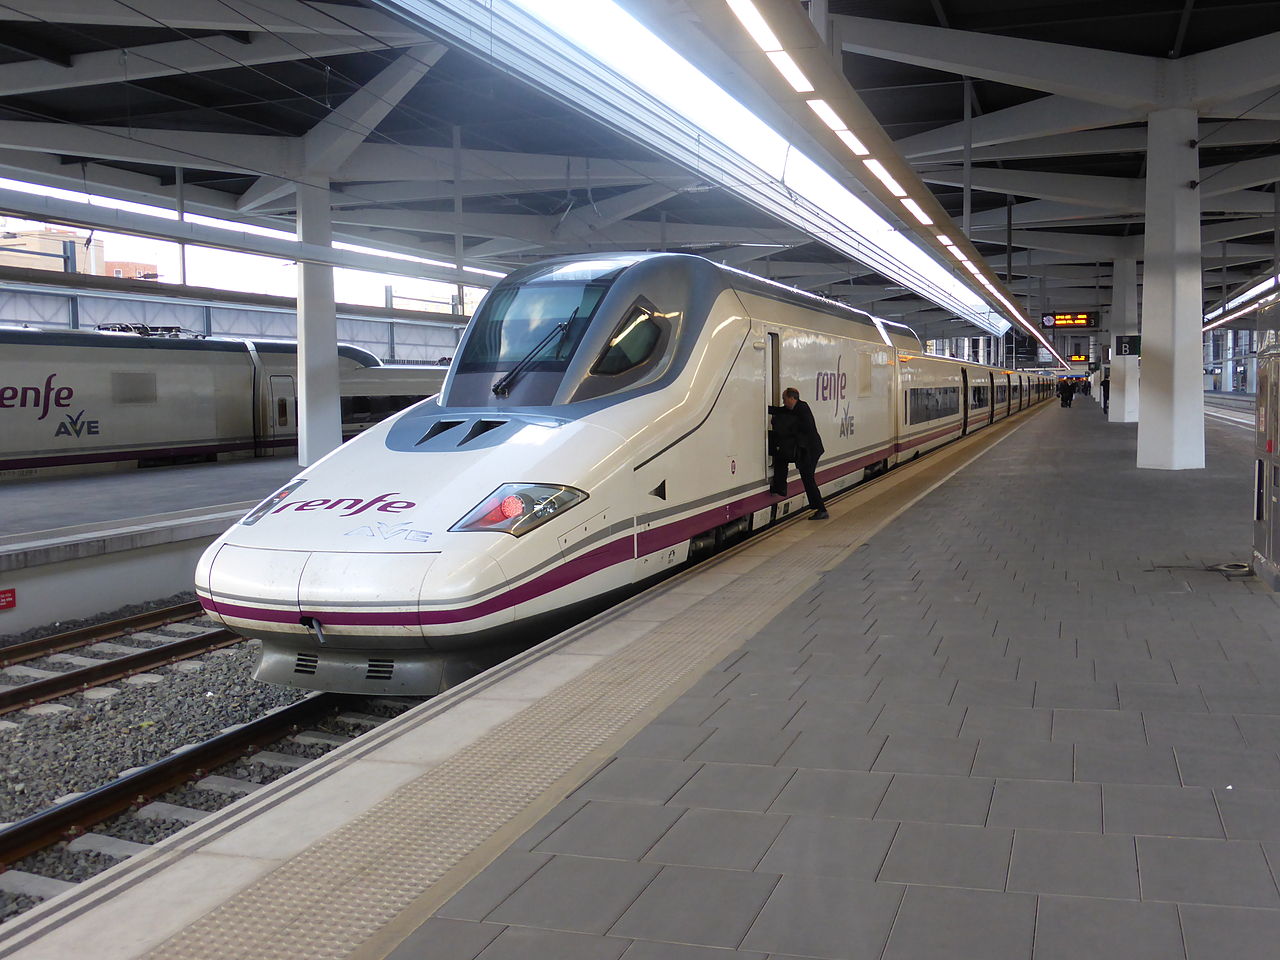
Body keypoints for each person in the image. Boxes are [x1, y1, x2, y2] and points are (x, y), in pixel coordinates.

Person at [769, 387, 828, 519]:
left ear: (792, 398)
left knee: (808, 479)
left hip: (811, 450)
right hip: (805, 450)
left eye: (784, 399)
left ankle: (822, 509)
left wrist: (786, 428)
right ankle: (781, 487)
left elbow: (803, 428)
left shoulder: (802, 409)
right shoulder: (793, 408)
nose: (783, 402)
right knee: (806, 478)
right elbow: (778, 410)